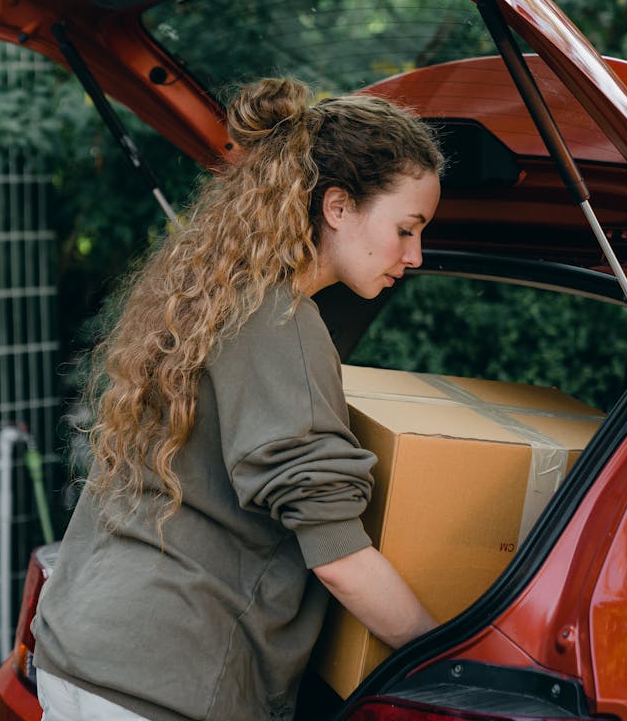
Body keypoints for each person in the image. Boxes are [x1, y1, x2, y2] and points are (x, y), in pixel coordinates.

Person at [31, 76, 443, 721]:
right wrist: (450, 658)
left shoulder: (209, 298)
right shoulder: (281, 324)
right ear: (338, 208)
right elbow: (339, 559)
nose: (415, 255)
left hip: (75, 657)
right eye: (407, 229)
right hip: (164, 684)